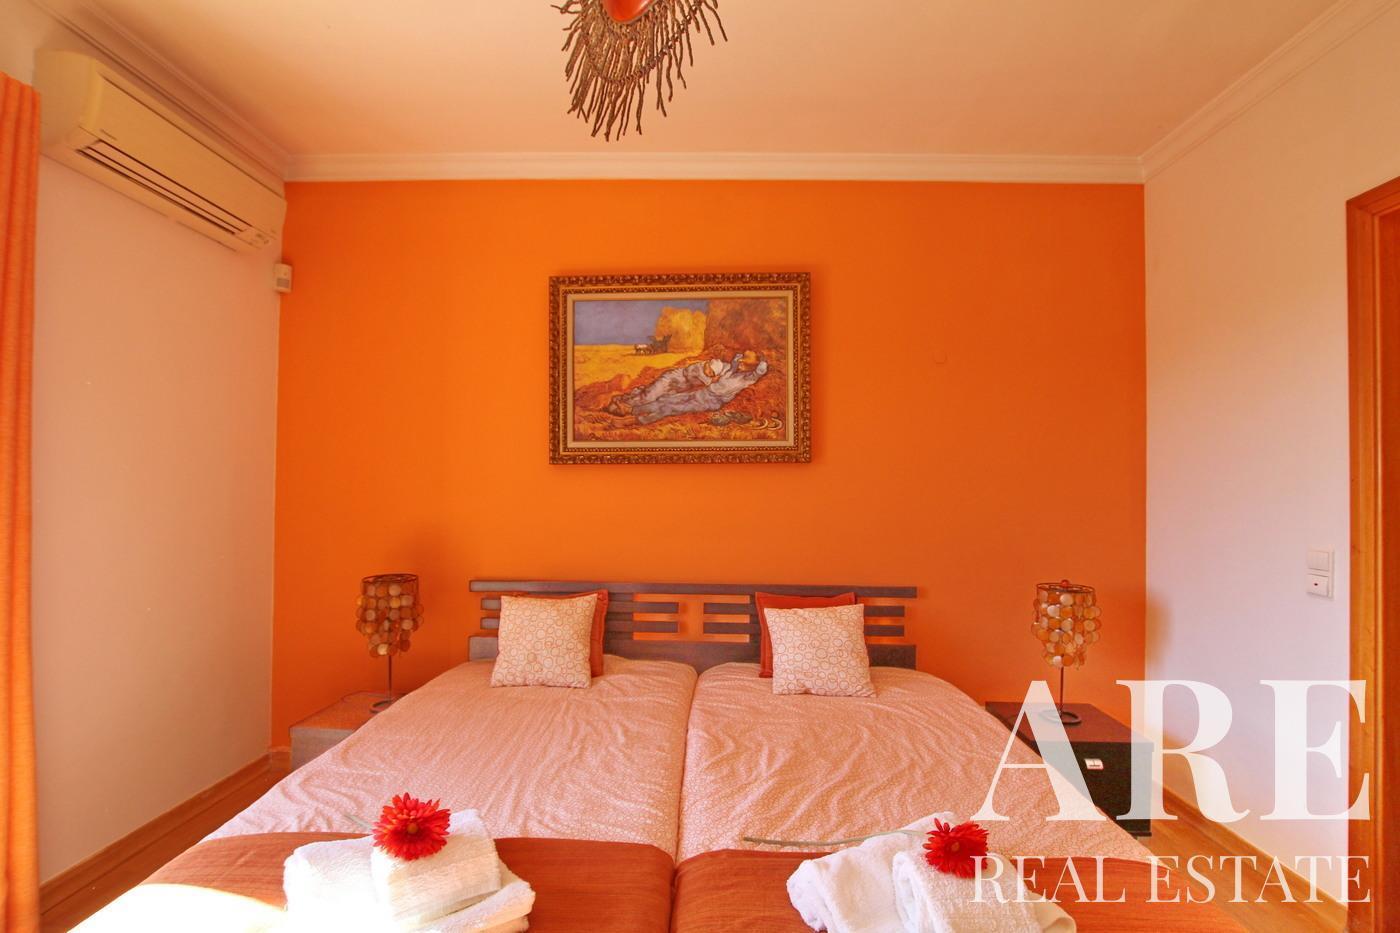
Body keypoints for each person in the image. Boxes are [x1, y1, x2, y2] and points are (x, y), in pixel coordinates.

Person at [606, 351, 768, 424]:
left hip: (712, 401)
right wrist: (743, 358)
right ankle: (631, 410)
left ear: (753, 364)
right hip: (703, 393)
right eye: (743, 358)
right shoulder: (732, 369)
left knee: (670, 408)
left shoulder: (747, 378)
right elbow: (736, 359)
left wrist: (758, 360)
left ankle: (634, 420)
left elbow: (761, 369)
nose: (742, 360)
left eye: (747, 358)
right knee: (666, 399)